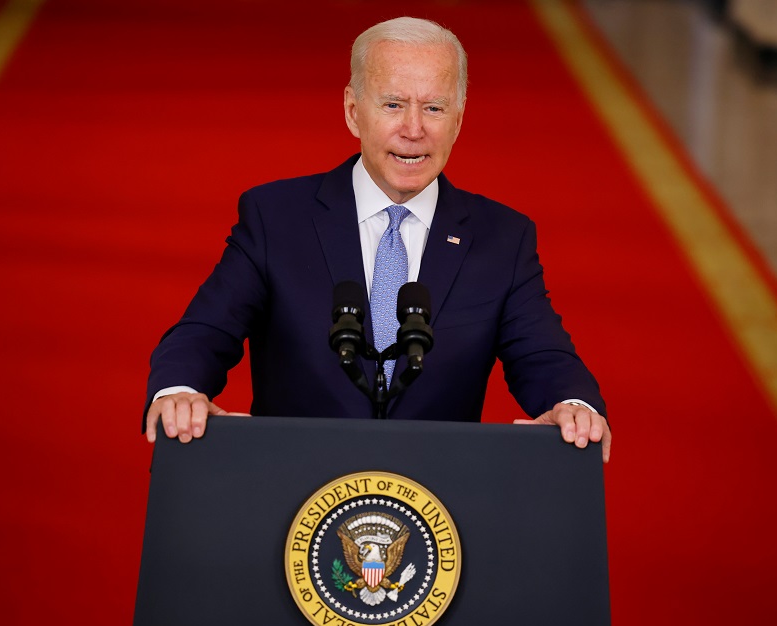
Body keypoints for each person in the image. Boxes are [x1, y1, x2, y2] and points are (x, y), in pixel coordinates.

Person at [145, 17, 611, 462]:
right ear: (353, 111)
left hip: (437, 502)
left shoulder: (502, 237)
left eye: (434, 107)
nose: (413, 129)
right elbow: (205, 330)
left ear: (459, 118)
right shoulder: (276, 216)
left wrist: (574, 406)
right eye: (393, 105)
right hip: (294, 488)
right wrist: (181, 391)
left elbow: (543, 354)